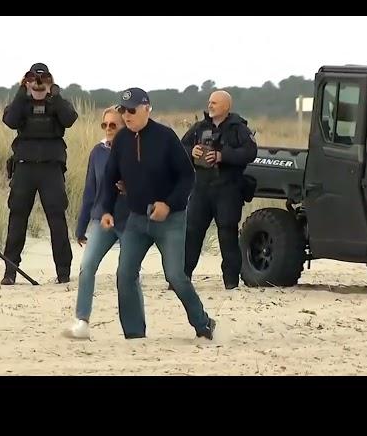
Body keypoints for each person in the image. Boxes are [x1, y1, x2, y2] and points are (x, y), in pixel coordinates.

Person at [101, 87, 215, 340]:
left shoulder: (165, 137)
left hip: (170, 219)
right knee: (125, 274)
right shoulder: (121, 140)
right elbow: (111, 176)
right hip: (136, 219)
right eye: (123, 111)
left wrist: (169, 204)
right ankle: (134, 334)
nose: (126, 116)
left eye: (132, 111)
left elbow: (187, 176)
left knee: (175, 276)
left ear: (147, 109)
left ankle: (203, 323)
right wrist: (107, 210)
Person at [1, 63, 78, 285]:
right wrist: (21, 91)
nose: (37, 83)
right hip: (24, 166)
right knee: (17, 217)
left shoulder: (56, 103)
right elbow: (10, 120)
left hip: (51, 168)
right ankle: (10, 271)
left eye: (42, 79)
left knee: (57, 218)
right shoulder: (21, 103)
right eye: (33, 79)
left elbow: (69, 119)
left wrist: (54, 93)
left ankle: (63, 272)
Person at [181, 90, 257, 290]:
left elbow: (250, 152)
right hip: (201, 188)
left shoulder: (238, 128)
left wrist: (223, 156)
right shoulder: (199, 127)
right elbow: (179, 148)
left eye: (214, 102)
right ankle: (182, 277)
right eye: (209, 102)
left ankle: (231, 281)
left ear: (226, 106)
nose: (210, 105)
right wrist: (192, 151)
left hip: (228, 189)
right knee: (192, 232)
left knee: (227, 234)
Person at [65, 106, 130, 339]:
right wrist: (81, 225)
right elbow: (90, 190)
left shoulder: (134, 149)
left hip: (128, 218)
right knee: (87, 266)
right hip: (100, 218)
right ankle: (82, 320)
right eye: (105, 125)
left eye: (114, 125)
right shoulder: (98, 152)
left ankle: (135, 328)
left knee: (129, 273)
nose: (109, 129)